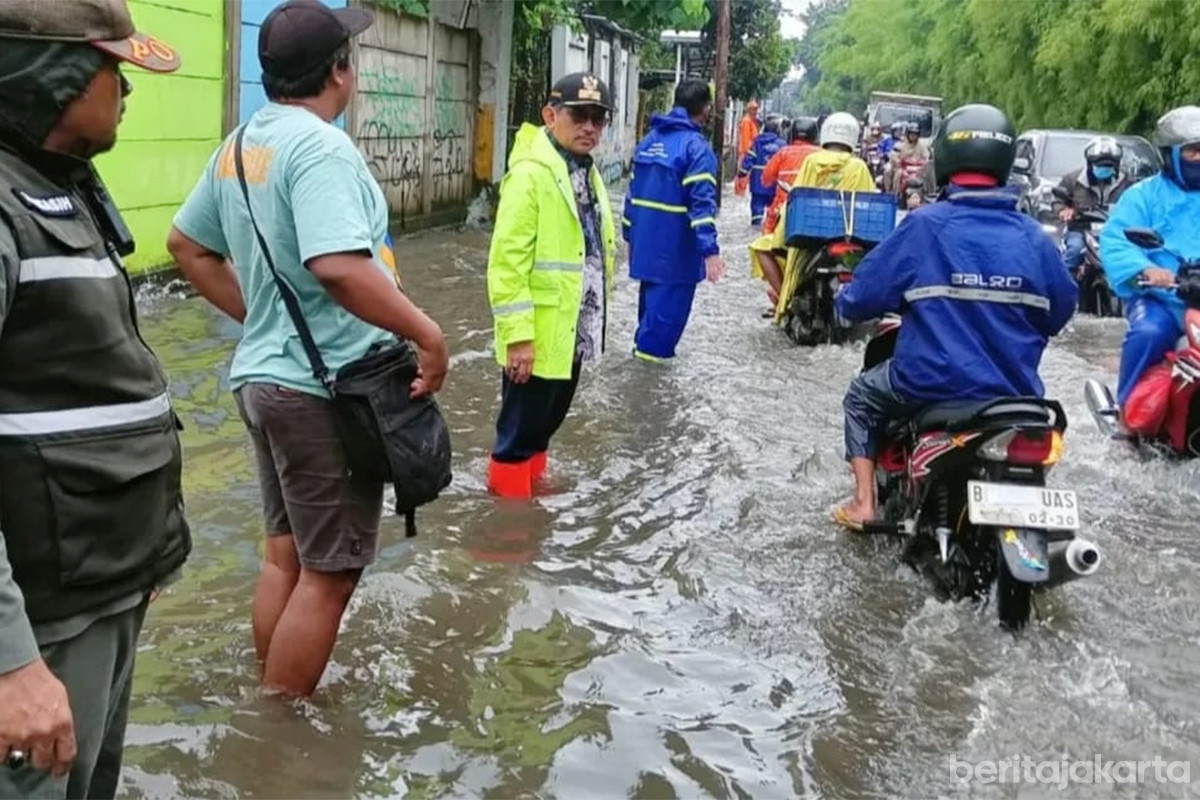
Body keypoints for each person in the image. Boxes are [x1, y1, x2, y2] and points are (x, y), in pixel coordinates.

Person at [169, 0, 449, 697]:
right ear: (338, 72)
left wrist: (263, 318)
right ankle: (281, 728)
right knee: (331, 574)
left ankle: (269, 702)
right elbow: (339, 266)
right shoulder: (322, 148)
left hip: (264, 381)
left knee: (285, 559)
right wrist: (427, 333)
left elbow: (187, 246)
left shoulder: (240, 146)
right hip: (326, 390)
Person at [0, 1, 192, 797]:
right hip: (39, 630)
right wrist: (11, 662)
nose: (126, 88)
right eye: (112, 68)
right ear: (55, 77)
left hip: (100, 588)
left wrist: (144, 556)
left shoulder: (58, 186)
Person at [831, 104, 1078, 529]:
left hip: (925, 384)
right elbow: (1060, 312)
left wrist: (845, 301)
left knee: (861, 398)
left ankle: (863, 504)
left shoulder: (925, 226)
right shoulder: (1034, 237)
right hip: (1015, 394)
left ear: (944, 157)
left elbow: (862, 297)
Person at [485, 72, 617, 498]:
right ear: (550, 115)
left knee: (544, 426)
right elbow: (507, 263)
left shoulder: (583, 170)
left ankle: (533, 497)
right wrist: (518, 337)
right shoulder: (530, 174)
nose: (590, 127)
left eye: (598, 118)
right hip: (537, 334)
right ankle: (508, 523)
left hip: (571, 328)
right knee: (517, 435)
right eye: (579, 116)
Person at [1100, 106, 1200, 413]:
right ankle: (1127, 413)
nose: (1199, 158)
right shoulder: (1142, 196)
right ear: (1169, 155)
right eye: (1192, 151)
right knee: (1148, 334)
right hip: (1163, 300)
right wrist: (1147, 269)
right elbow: (1116, 240)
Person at [624, 78, 725, 361]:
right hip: (675, 258)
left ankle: (637, 378)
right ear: (705, 109)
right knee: (658, 344)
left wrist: (629, 238)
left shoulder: (648, 142)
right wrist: (710, 252)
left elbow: (631, 198)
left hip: (645, 252)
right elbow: (701, 206)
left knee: (648, 327)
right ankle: (647, 387)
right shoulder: (696, 149)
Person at [749, 112, 875, 317]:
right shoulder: (858, 166)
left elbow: (796, 196)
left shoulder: (812, 161)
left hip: (811, 234)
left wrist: (781, 230)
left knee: (761, 247)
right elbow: (869, 201)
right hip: (848, 235)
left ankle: (785, 301)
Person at [750, 116, 821, 307]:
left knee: (764, 246)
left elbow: (766, 178)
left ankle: (782, 297)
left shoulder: (783, 153)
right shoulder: (822, 156)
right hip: (817, 218)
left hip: (782, 215)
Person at [1055, 135, 1132, 275]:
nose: (1104, 169)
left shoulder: (1126, 182)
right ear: (1090, 164)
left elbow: (1138, 203)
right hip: (1080, 228)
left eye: (1108, 166)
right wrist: (1063, 210)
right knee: (1075, 251)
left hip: (1116, 230)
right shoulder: (1073, 179)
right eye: (1100, 165)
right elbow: (1058, 199)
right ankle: (1065, 285)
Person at [737, 116, 785, 227]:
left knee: (757, 209)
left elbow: (749, 159)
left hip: (757, 183)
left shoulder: (757, 142)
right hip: (775, 184)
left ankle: (756, 224)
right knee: (775, 211)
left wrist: (742, 172)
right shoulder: (782, 145)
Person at [887, 121, 931, 194]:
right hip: (901, 167)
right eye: (911, 133)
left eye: (915, 134)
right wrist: (899, 161)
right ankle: (894, 193)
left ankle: (929, 193)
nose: (913, 136)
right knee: (897, 172)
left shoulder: (922, 145)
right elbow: (894, 157)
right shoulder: (900, 144)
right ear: (908, 133)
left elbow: (926, 157)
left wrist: (923, 163)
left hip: (916, 169)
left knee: (928, 173)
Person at [735, 100, 760, 196]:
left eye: (756, 109)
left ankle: (741, 192)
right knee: (743, 174)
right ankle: (740, 192)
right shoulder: (747, 121)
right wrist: (748, 153)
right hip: (746, 152)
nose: (755, 111)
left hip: (749, 152)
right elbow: (746, 139)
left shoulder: (752, 121)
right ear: (749, 110)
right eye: (753, 109)